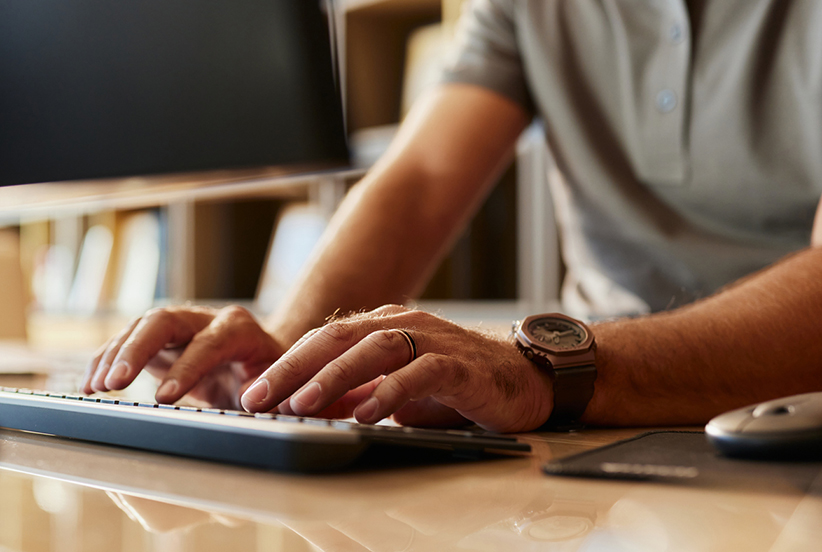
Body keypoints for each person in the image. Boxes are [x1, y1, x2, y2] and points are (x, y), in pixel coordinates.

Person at [82, 0, 822, 432]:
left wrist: (550, 367)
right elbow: (419, 182)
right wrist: (289, 356)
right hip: (588, 418)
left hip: (778, 422)